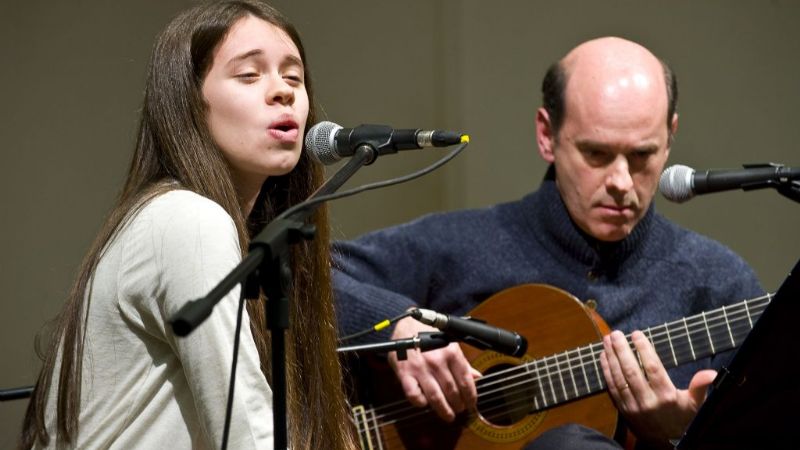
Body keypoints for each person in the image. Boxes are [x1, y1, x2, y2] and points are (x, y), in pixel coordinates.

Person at [333, 36, 764, 449]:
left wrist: (678, 437)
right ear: (546, 135)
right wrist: (397, 326)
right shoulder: (456, 244)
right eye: (596, 154)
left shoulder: (719, 283)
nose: (620, 181)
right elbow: (308, 276)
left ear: (670, 137)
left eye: (642, 156)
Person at [19, 2, 355, 449]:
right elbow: (245, 430)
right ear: (190, 101)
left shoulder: (202, 220)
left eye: (293, 77)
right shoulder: (188, 219)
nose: (282, 92)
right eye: (249, 75)